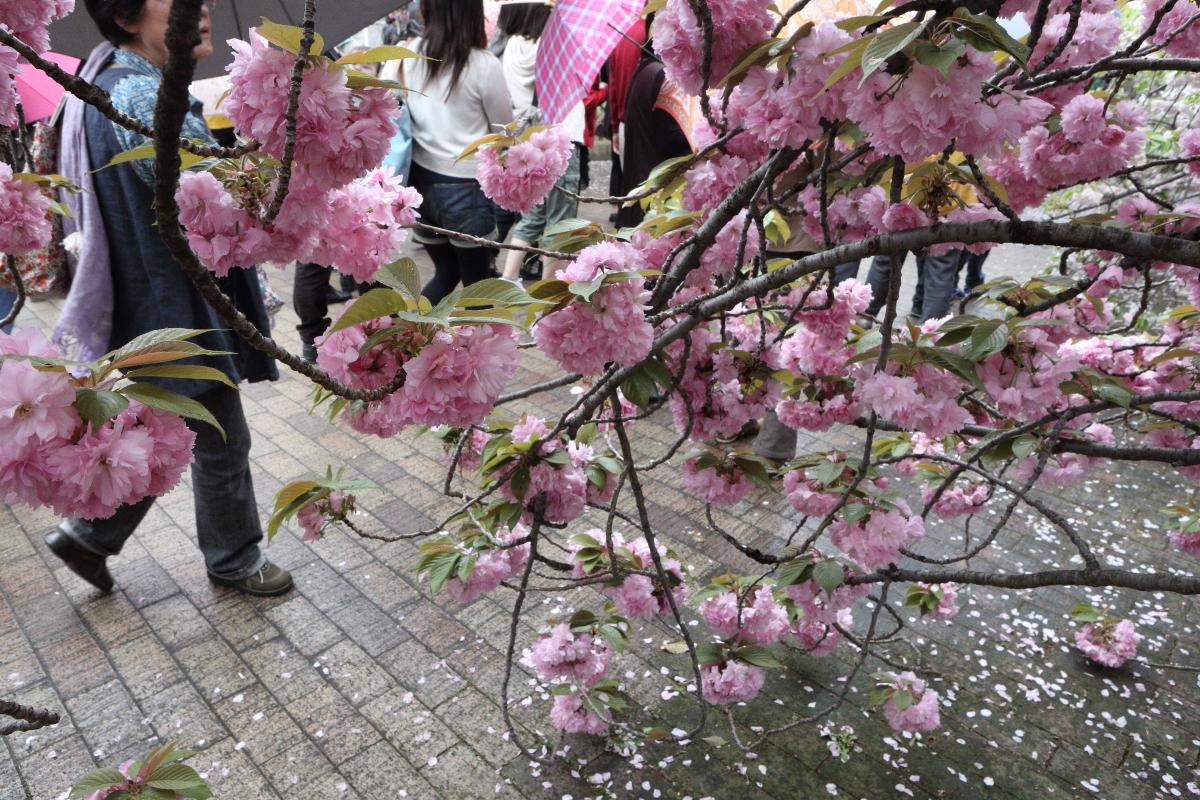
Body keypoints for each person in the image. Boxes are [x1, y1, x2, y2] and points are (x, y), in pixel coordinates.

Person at [45, 0, 292, 597]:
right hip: (174, 303)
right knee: (219, 436)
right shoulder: (138, 93)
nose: (199, 7)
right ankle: (234, 559)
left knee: (174, 424)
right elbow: (213, 198)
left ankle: (88, 538)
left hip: (151, 296)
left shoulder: (110, 82)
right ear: (127, 16)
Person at [402, 0, 513, 304]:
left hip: (420, 185)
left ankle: (411, 330)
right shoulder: (483, 64)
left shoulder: (407, 55)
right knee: (478, 287)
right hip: (465, 190)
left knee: (445, 273)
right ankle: (479, 337)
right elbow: (505, 132)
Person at [497, 4, 590, 284]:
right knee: (560, 221)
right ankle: (550, 290)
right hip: (562, 141)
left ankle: (509, 278)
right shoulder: (555, 47)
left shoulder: (512, 45)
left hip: (529, 141)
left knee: (533, 215)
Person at [615, 33, 691, 228]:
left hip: (639, 186)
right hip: (654, 197)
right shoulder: (663, 76)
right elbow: (678, 139)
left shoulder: (645, 68)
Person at [605, 18, 647, 203]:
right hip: (650, 121)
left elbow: (613, 86)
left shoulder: (621, 34)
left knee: (632, 193)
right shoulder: (654, 32)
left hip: (624, 122)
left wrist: (614, 126)